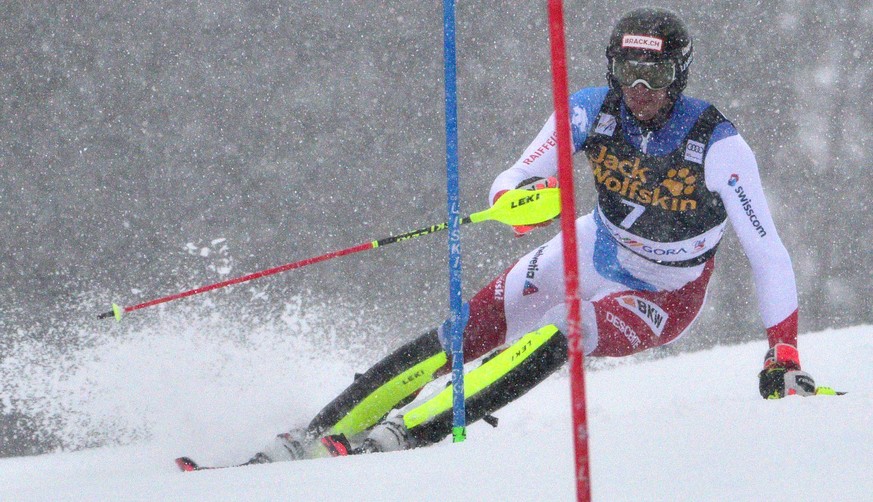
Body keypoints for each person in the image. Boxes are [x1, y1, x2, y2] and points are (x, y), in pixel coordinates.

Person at [249, 7, 817, 464]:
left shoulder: (717, 144)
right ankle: (316, 431)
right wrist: (516, 203)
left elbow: (767, 253)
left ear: (680, 74)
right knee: (463, 331)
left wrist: (782, 349)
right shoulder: (592, 110)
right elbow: (518, 174)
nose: (640, 88)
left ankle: (404, 433)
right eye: (627, 73)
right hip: (593, 246)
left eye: (657, 75)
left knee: (567, 327)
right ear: (612, 68)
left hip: (665, 295)